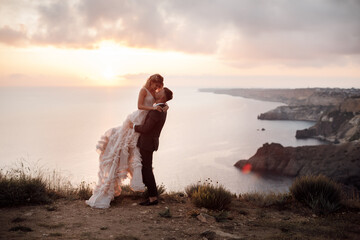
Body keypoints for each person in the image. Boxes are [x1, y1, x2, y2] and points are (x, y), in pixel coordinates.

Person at [86, 74, 165, 209]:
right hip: (138, 118)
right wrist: (153, 108)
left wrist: (163, 106)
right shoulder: (143, 91)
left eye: (159, 87)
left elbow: (160, 102)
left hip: (144, 122)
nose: (157, 88)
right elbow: (140, 106)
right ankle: (108, 189)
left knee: (136, 154)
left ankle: (150, 193)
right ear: (151, 82)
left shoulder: (154, 93)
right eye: (156, 85)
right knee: (122, 147)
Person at [130, 87, 173, 206]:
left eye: (160, 92)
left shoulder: (156, 111)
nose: (157, 91)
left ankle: (153, 198)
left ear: (163, 97)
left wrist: (133, 126)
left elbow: (146, 128)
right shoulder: (163, 108)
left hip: (147, 143)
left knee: (147, 169)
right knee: (147, 168)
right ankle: (152, 196)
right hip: (150, 142)